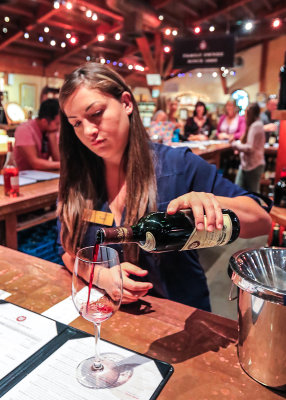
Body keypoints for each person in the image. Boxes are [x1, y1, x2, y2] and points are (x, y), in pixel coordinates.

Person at [57, 63, 271, 312]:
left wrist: (212, 202)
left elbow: (261, 220)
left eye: (96, 114)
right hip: (109, 319)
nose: (89, 131)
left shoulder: (178, 165)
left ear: (127, 103)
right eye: (76, 124)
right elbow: (65, 249)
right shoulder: (77, 179)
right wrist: (101, 277)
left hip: (176, 321)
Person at [14, 99, 60, 171]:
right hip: (24, 178)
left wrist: (53, 140)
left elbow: (58, 160)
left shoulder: (51, 132)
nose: (59, 128)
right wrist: (62, 165)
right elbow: (35, 163)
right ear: (44, 121)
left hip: (43, 175)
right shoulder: (24, 130)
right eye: (57, 124)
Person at [232, 103, 265, 193]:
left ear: (250, 113)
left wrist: (235, 145)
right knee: (237, 191)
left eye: (246, 111)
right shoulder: (253, 124)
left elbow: (249, 148)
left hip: (253, 165)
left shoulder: (256, 125)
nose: (244, 114)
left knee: (254, 194)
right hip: (245, 165)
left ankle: (259, 207)